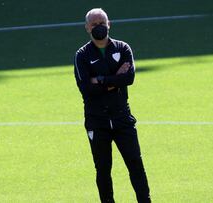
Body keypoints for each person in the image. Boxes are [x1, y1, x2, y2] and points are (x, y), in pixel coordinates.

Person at [73, 8, 151, 203]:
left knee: (135, 164)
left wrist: (99, 80)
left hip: (122, 117)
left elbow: (129, 78)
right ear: (87, 28)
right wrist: (116, 79)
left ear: (109, 24)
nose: (98, 27)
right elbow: (86, 89)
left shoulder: (123, 48)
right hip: (97, 121)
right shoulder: (82, 55)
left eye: (102, 23)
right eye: (94, 24)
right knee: (103, 168)